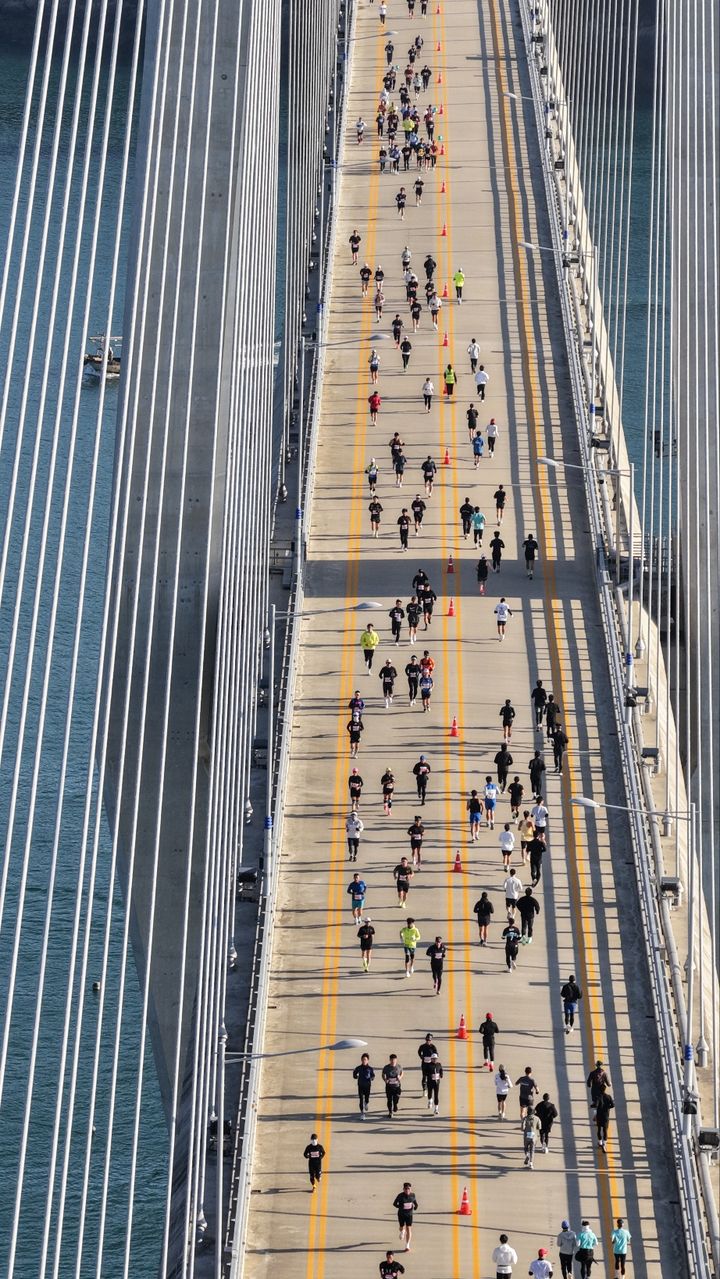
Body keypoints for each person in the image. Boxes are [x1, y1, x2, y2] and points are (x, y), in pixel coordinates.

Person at [393, 1183, 418, 1250]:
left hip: (409, 1214)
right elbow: (394, 1204)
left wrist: (416, 1206)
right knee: (401, 1227)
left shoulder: (413, 1195)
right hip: (401, 1214)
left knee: (409, 1228)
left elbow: (415, 1202)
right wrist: (400, 1206)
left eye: (408, 1189)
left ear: (410, 1189)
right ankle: (402, 1231)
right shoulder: (400, 1196)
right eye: (406, 1189)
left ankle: (407, 1245)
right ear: (403, 1189)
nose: (407, 1190)